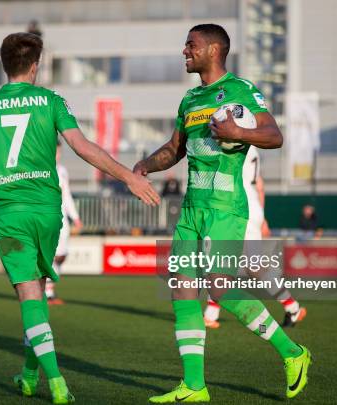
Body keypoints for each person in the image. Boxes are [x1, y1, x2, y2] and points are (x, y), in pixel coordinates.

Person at [0, 32, 159, 404]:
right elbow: (83, 148)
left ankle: (57, 381)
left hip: (8, 211)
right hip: (48, 211)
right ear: (35, 66)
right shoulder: (51, 101)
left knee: (29, 293)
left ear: (5, 65)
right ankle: (30, 374)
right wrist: (128, 176)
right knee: (38, 295)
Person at [134, 24, 311, 402]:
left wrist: (238, 132)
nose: (184, 50)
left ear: (214, 50)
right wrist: (144, 166)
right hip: (192, 208)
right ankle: (194, 386)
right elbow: (174, 148)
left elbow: (274, 135)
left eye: (191, 45)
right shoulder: (190, 99)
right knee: (182, 289)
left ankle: (294, 353)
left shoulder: (241, 91)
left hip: (225, 207)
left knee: (220, 287)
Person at [204, 146, 307, 329]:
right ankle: (292, 307)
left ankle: (210, 314)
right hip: (252, 206)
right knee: (254, 267)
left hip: (238, 206)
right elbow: (259, 185)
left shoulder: (232, 142)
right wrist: (262, 216)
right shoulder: (251, 147)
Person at [45, 141, 82, 306]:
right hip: (46, 218)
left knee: (61, 255)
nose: (57, 155)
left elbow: (66, 195)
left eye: (58, 152)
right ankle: (48, 293)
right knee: (50, 255)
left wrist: (75, 217)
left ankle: (47, 290)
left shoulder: (62, 171)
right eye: (54, 152)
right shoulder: (40, 170)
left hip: (62, 219)